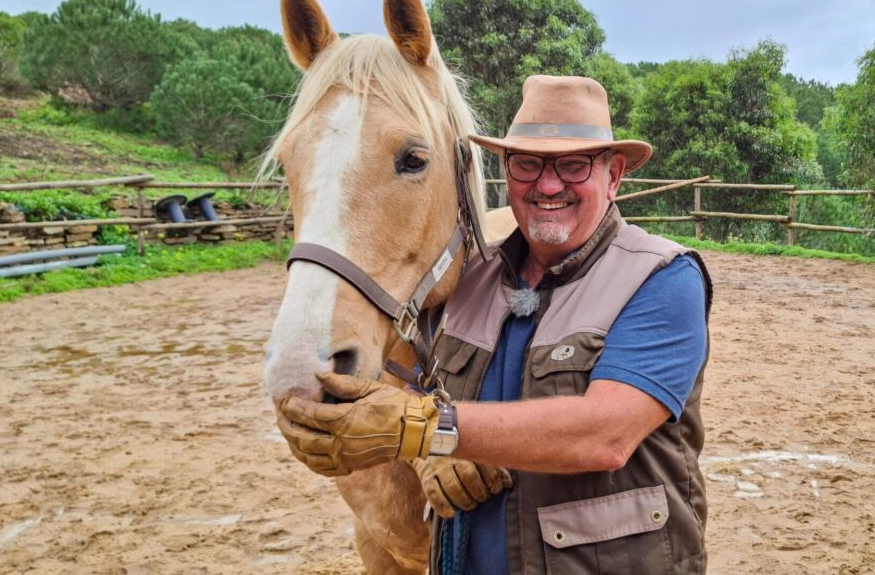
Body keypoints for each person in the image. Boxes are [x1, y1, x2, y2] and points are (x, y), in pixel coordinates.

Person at [279, 75, 713, 574]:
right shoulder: (466, 279)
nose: (548, 185)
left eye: (574, 165)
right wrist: (425, 450)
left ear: (613, 176)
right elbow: (395, 365)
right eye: (527, 164)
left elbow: (605, 434)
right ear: (506, 172)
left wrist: (425, 430)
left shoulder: (661, 278)